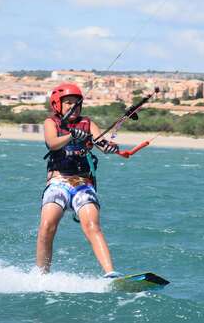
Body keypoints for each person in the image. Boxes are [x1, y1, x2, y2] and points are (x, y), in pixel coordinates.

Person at [36, 83, 121, 278]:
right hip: (58, 181)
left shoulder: (88, 123)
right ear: (58, 105)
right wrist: (71, 135)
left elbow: (101, 142)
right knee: (47, 224)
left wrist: (110, 147)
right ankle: (41, 276)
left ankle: (111, 274)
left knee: (92, 224)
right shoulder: (51, 123)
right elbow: (52, 143)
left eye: (76, 103)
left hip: (83, 184)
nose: (73, 107)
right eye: (68, 103)